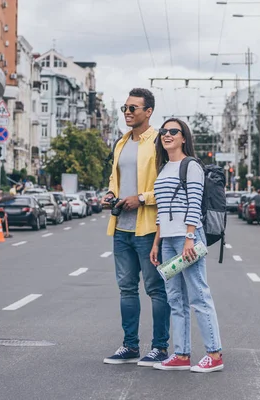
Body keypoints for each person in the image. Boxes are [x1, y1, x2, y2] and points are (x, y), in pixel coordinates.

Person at [102, 88, 171, 367]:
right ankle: (130, 346)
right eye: (125, 108)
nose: (128, 113)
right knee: (127, 288)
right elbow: (114, 178)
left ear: (148, 112)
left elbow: (170, 186)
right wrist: (110, 194)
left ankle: (160, 347)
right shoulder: (120, 143)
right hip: (121, 227)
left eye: (133, 108)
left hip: (149, 228)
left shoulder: (159, 141)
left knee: (155, 289)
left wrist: (142, 198)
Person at [150, 118, 224, 373]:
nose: (167, 135)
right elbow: (161, 210)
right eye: (164, 131)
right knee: (175, 298)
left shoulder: (190, 166)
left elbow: (194, 204)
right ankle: (181, 354)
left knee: (198, 295)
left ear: (184, 137)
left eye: (173, 131)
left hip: (187, 238)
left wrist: (190, 237)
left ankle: (214, 354)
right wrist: (156, 242)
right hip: (169, 241)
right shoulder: (163, 169)